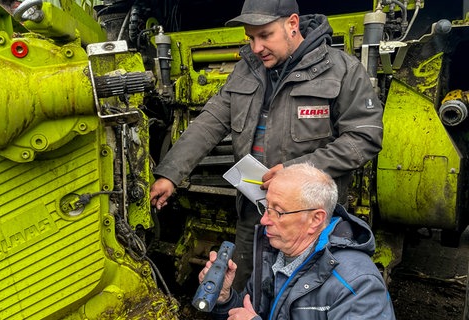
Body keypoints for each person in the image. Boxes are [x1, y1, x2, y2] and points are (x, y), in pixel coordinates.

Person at [150, 0, 383, 290]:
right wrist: (170, 173)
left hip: (310, 220)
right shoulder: (246, 70)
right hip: (256, 214)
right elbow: (210, 122)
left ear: (292, 24)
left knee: (307, 294)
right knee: (247, 290)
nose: (256, 47)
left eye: (265, 35)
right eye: (251, 38)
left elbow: (364, 137)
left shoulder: (341, 71)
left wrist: (296, 170)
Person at [198, 163, 396, 320]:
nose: (264, 220)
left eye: (278, 212)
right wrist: (224, 298)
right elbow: (248, 312)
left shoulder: (358, 284)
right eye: (266, 208)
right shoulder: (275, 255)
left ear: (315, 219)